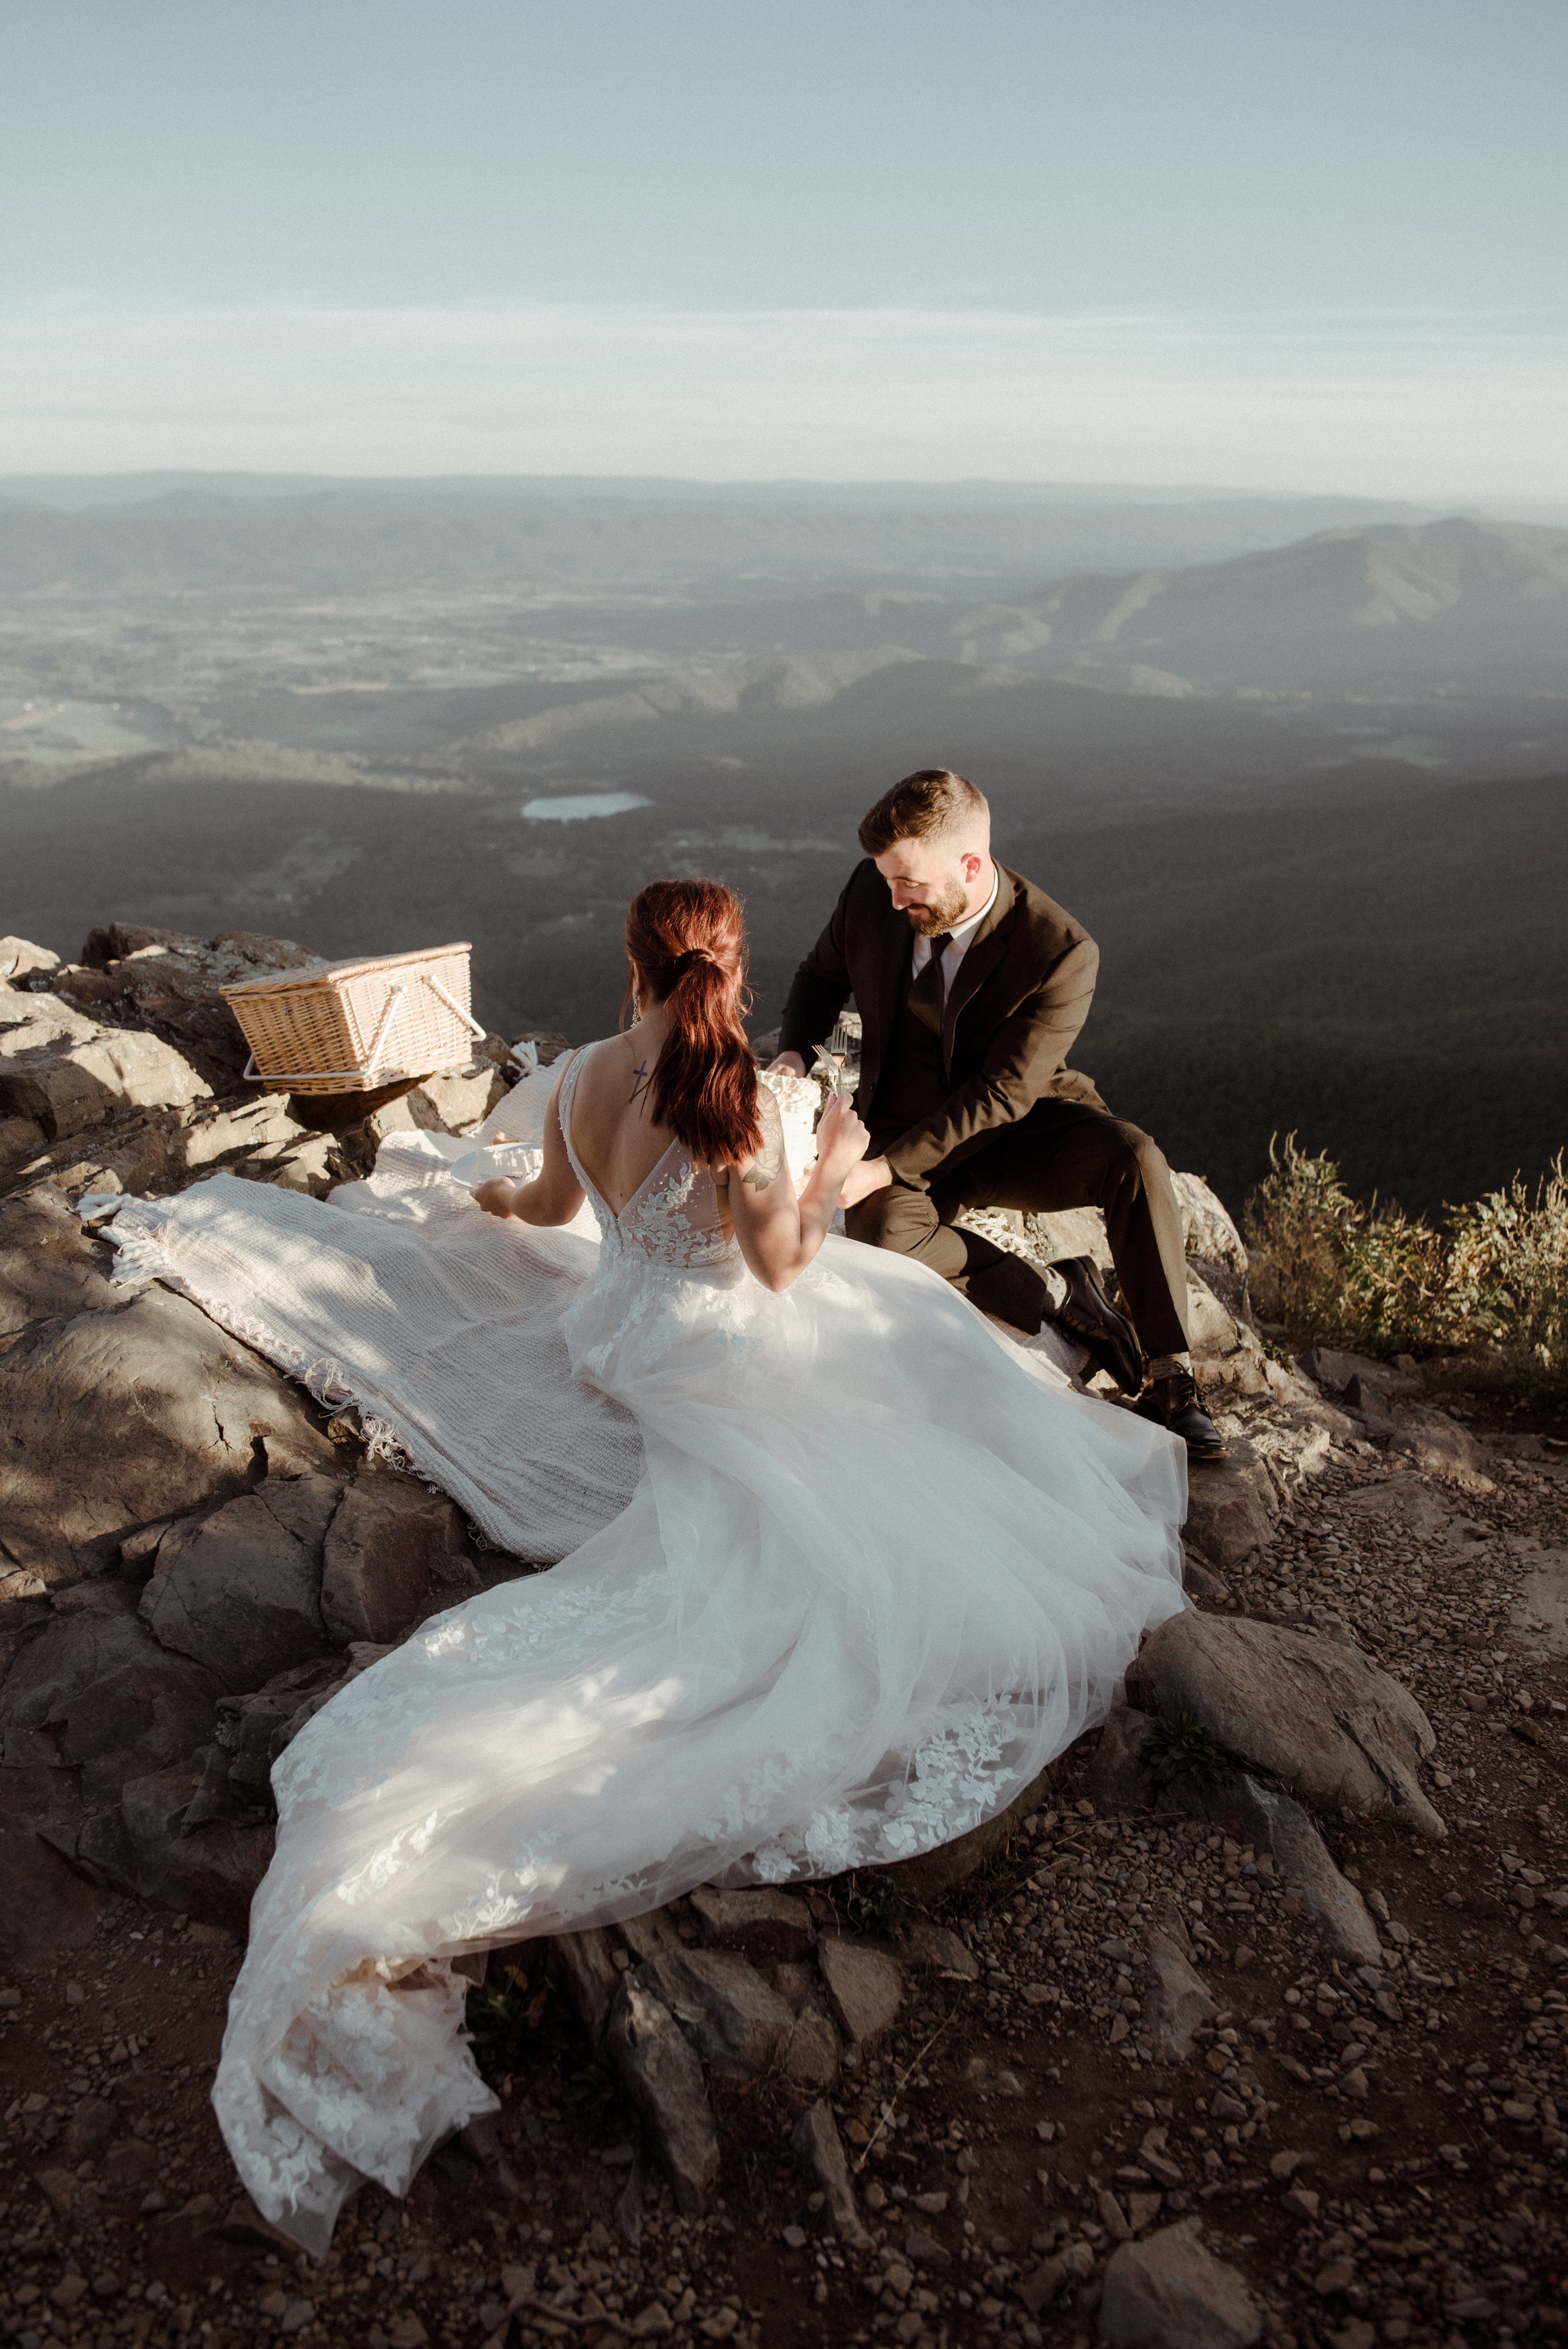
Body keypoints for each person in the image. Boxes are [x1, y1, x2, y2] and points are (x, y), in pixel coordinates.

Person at [99, 877, 1185, 2255]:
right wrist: (834, 1147)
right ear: (723, 969)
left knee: (912, 1338)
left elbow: (545, 1201)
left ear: (631, 964)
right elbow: (785, 1268)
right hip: (715, 1357)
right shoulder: (727, 1101)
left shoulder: (571, 1077)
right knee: (933, 1377)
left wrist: (475, 1197)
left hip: (612, 1330)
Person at [772, 767, 1226, 1459]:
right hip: (900, 1120)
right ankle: (1053, 1289)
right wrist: (794, 1058)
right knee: (883, 1236)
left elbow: (1002, 1095)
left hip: (1017, 1127)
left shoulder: (1061, 953)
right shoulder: (873, 891)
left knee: (1133, 1159)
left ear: (971, 864)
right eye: (887, 881)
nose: (893, 900)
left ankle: (1172, 1377)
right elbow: (818, 978)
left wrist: (880, 1169)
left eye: (910, 885)